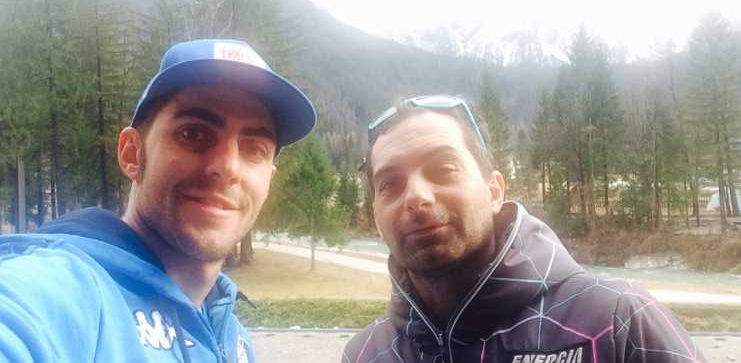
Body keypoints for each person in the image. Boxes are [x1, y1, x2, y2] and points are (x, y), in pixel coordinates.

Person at [0, 39, 316, 363]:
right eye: (194, 134)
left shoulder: (232, 337)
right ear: (132, 153)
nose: (227, 167)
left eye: (254, 149)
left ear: (269, 179)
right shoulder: (64, 292)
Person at [343, 95, 705, 363]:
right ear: (376, 217)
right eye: (389, 184)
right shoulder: (366, 354)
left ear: (494, 191)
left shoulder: (616, 322)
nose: (416, 197)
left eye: (443, 170)